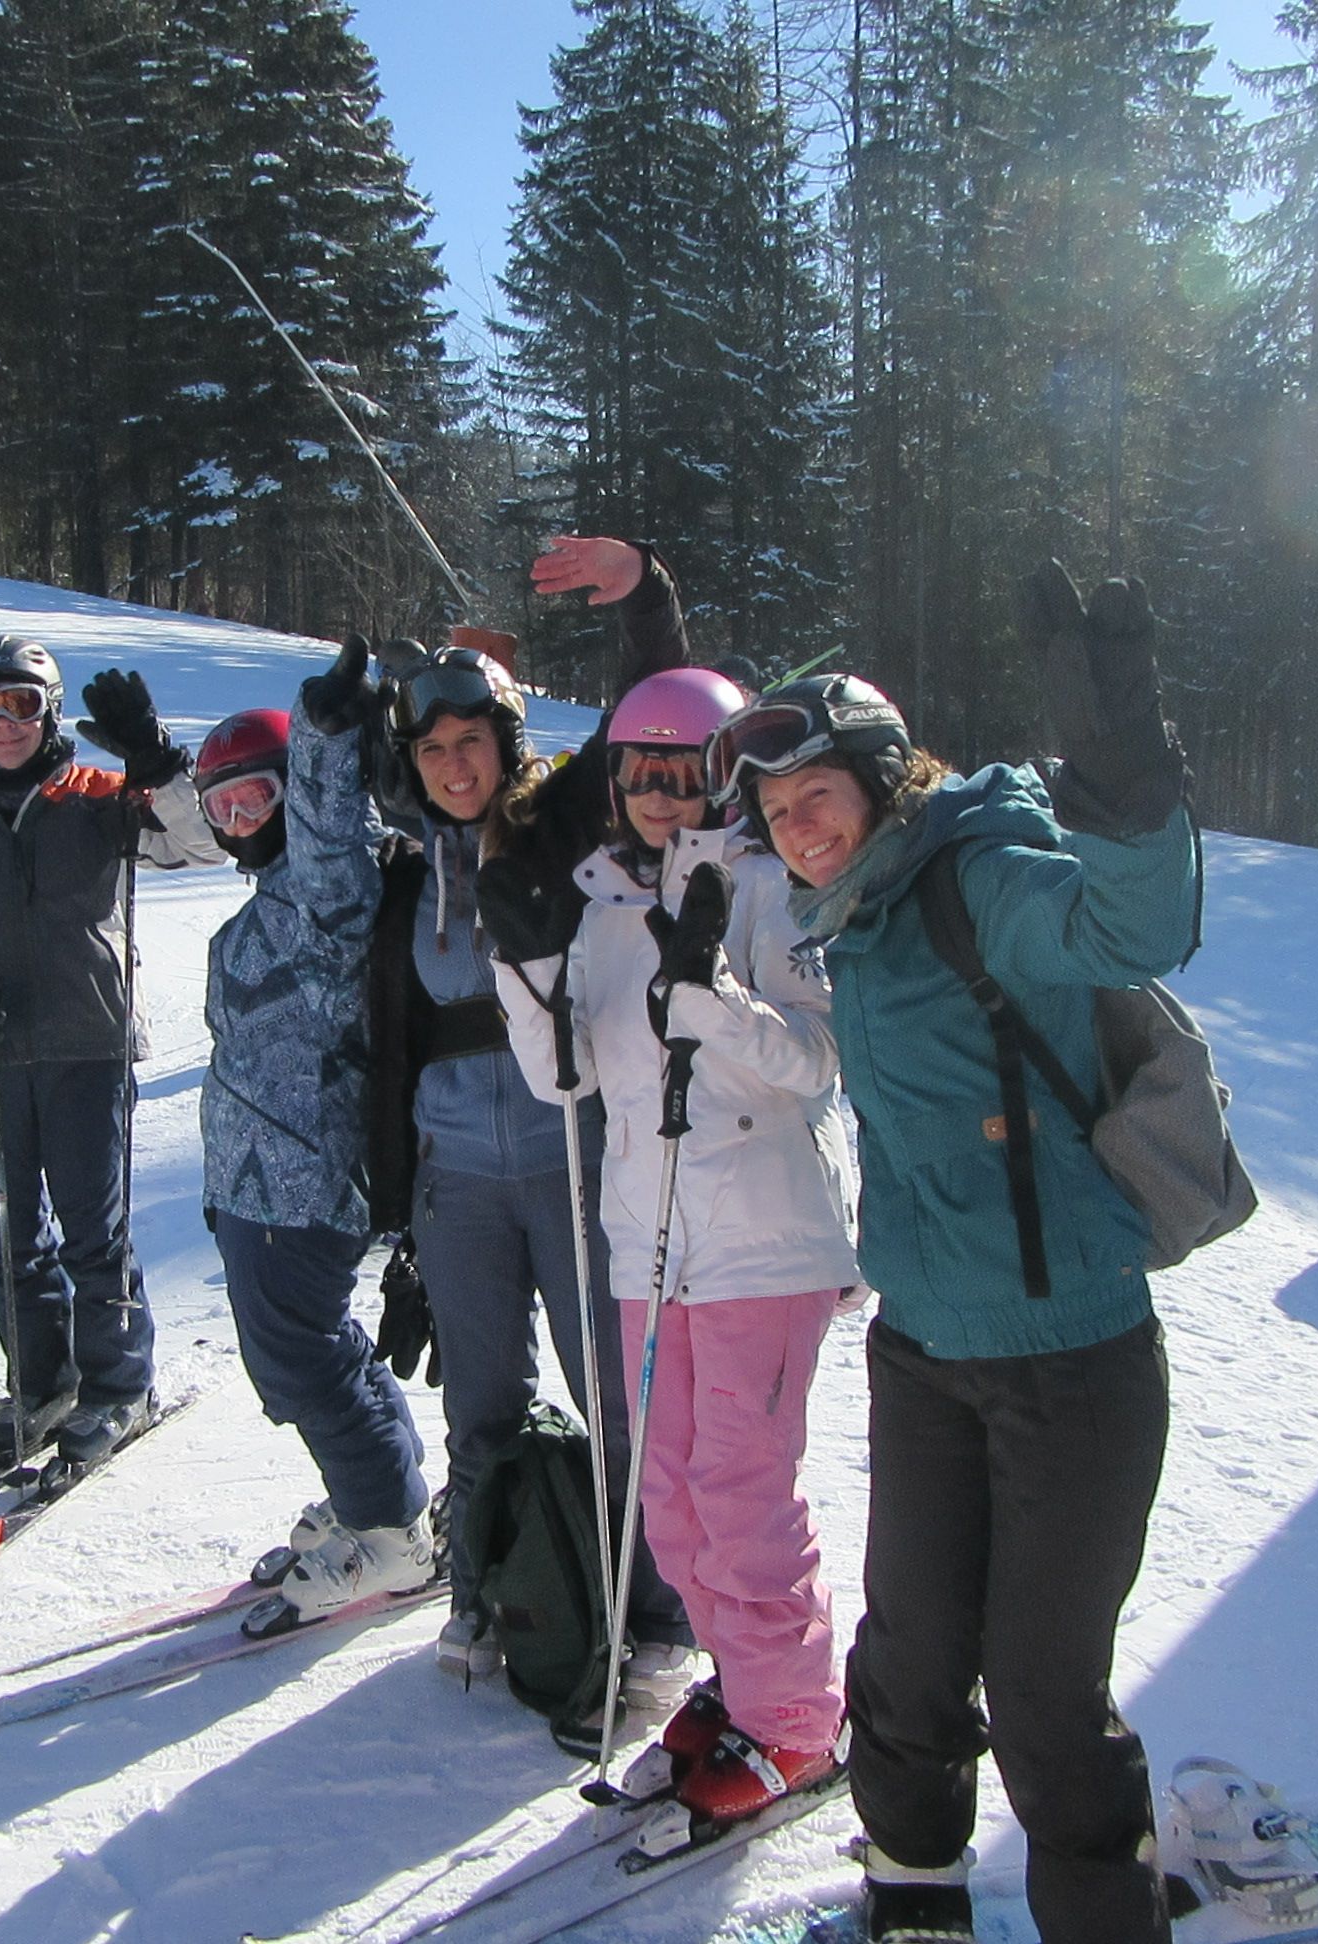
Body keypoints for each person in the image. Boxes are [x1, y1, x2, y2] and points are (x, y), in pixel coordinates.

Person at [711, 563, 1198, 1943]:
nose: (798, 827)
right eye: (777, 809)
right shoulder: (854, 916)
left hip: (1074, 1359)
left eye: (819, 796)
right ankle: (914, 1896)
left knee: (1044, 1695)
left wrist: (1119, 769)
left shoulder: (982, 869)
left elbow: (1134, 926)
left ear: (879, 781)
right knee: (911, 1663)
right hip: (924, 1348)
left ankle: (1105, 1917)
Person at [484, 643, 860, 1829]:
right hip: (648, 1242)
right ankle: (745, 1682)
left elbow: (816, 1064)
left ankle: (798, 1725)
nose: (663, 795)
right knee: (674, 1498)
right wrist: (526, 965)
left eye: (687, 772)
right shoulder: (600, 897)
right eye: (641, 771)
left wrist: (713, 1000)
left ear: (725, 774)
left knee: (743, 1494)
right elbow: (565, 1083)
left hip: (763, 1244)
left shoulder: (765, 883)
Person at [365, 571, 696, 1715]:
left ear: (508, 745)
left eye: (476, 741)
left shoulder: (556, 829)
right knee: (482, 1405)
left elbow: (643, 726)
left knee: (614, 1395)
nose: (457, 765)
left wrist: (644, 602)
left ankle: (654, 1606)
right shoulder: (398, 869)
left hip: (575, 1162)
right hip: (456, 1179)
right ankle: (488, 1587)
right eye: (434, 747)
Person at [0, 636, 219, 1477]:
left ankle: (118, 1383)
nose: (3, 725)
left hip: (86, 1047)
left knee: (91, 1231)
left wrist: (157, 758)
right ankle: (40, 1383)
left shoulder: (103, 800)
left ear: (51, 709)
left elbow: (203, 843)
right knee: (7, 1237)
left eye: (23, 705)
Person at [202, 637, 439, 1634]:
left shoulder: (324, 888)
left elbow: (332, 830)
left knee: (301, 1358)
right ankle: (383, 1499)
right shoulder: (271, 898)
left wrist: (326, 735)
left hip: (304, 1180)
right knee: (309, 1351)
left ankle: (389, 1537)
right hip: (255, 1179)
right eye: (226, 809)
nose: (243, 822)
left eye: (260, 797)